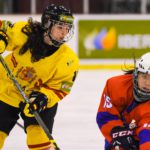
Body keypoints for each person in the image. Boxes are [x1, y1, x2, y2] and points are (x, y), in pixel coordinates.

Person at [0, 3, 79, 150]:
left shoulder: (68, 60)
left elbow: (60, 88)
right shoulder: (26, 32)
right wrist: (2, 39)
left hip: (37, 98)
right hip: (6, 90)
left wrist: (43, 98)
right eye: (60, 27)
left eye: (67, 28)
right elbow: (3, 29)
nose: (64, 32)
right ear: (47, 24)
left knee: (38, 138)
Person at [96, 52, 150, 150]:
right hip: (118, 135)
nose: (147, 83)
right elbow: (105, 115)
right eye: (144, 77)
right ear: (136, 74)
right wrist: (118, 133)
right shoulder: (115, 85)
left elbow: (147, 135)